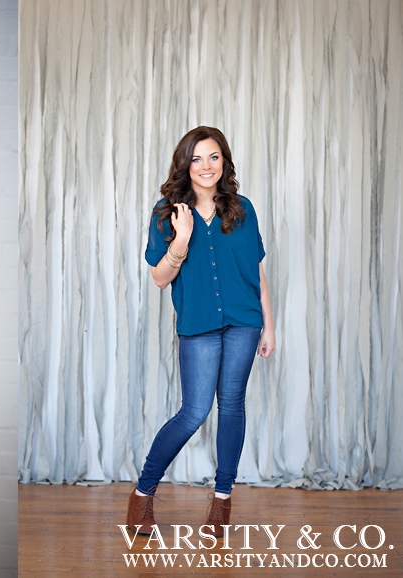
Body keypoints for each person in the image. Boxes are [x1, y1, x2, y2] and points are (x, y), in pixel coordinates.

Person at [126, 126, 275, 537]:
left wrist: (269, 326)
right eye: (197, 158)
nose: (206, 166)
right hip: (198, 324)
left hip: (245, 321)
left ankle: (222, 503)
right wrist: (183, 239)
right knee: (193, 412)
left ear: (223, 161)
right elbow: (159, 278)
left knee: (232, 405)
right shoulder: (167, 212)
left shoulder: (242, 209)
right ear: (185, 163)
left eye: (213, 157)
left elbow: (257, 272)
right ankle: (142, 495)